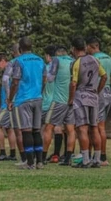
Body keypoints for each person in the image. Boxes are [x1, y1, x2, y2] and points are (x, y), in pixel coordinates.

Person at [7, 36, 46, 170]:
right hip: (38, 98)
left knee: (26, 131)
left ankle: (29, 162)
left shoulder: (19, 61)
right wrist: (40, 92)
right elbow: (45, 79)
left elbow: (15, 81)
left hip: (24, 99)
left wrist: (10, 99)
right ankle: (40, 161)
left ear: (20, 48)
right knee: (37, 130)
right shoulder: (40, 60)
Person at [68, 37, 106, 168]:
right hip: (93, 97)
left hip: (81, 97)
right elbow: (104, 76)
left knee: (82, 128)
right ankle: (97, 159)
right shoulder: (95, 60)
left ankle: (85, 160)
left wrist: (71, 99)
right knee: (94, 128)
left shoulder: (77, 62)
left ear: (74, 49)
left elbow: (73, 84)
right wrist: (97, 90)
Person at [43, 45, 76, 166]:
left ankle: (42, 156)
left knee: (48, 127)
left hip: (58, 100)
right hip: (71, 100)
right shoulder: (73, 61)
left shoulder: (56, 60)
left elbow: (50, 79)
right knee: (70, 130)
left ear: (57, 54)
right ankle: (67, 158)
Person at [85, 36, 111, 166]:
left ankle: (101, 157)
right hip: (108, 93)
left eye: (87, 46)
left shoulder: (94, 59)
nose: (86, 49)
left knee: (96, 126)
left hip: (98, 92)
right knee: (102, 125)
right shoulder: (108, 58)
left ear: (92, 46)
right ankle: (102, 156)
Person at [0, 53, 17, 161]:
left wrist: (8, 100)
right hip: (11, 103)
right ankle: (12, 154)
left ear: (3, 60)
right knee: (9, 128)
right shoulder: (12, 70)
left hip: (6, 105)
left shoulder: (9, 71)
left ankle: (2, 152)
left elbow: (10, 85)